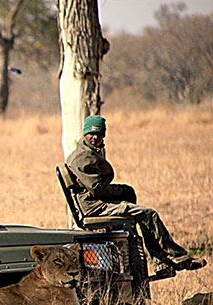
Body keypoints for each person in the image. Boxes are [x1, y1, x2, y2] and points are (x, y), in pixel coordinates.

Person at [67, 115, 206, 271]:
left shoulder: (90, 151)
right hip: (96, 207)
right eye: (91, 134)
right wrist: (123, 191)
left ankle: (162, 260)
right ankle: (174, 256)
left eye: (99, 134)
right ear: (85, 133)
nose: (95, 137)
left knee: (142, 214)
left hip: (96, 203)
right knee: (148, 214)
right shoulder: (83, 157)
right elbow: (97, 189)